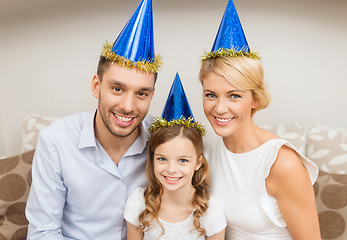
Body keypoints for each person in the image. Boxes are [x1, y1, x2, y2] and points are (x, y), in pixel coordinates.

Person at [25, 0, 161, 239]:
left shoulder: (164, 141)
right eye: (117, 89)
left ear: (151, 95)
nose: (128, 107)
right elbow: (42, 233)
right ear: (96, 86)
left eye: (141, 93)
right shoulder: (56, 142)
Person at [199, 1, 321, 239]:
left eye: (234, 96)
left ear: (255, 99)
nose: (219, 108)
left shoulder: (281, 163)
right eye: (210, 95)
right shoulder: (207, 148)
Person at [124, 74, 226, 240]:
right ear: (152, 158)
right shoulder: (139, 204)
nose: (171, 169)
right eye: (162, 159)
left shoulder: (209, 211)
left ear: (198, 162)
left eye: (183, 160)